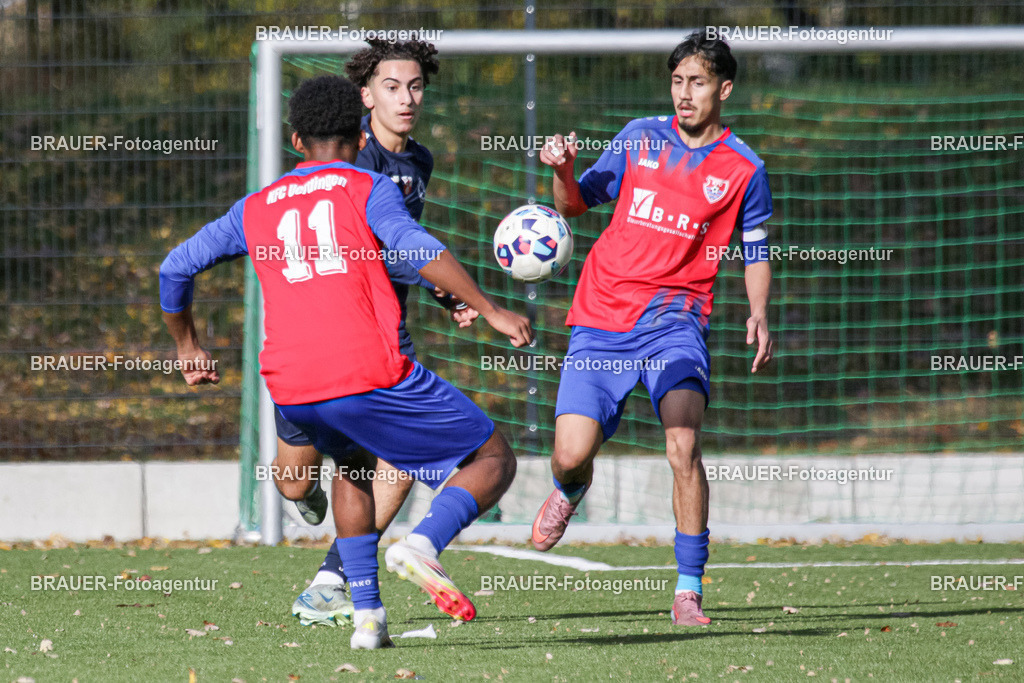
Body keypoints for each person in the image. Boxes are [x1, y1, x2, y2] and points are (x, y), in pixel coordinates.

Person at [160, 74, 533, 649]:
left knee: (354, 466)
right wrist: (491, 309)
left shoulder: (254, 206)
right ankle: (423, 544)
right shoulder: (369, 186)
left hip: (290, 387)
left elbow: (174, 267)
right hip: (367, 373)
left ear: (295, 141)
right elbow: (415, 246)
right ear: (361, 137)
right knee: (493, 458)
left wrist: (188, 348)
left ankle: (367, 619)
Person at [531, 29, 774, 627]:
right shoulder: (639, 137)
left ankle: (689, 589)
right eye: (677, 81)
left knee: (683, 444)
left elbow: (756, 249)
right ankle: (571, 489)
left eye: (697, 82)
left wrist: (759, 310)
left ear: (724, 89)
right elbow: (573, 205)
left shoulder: (744, 168)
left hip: (675, 321)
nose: (684, 93)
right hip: (602, 314)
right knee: (570, 454)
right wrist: (563, 169)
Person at [270, 39, 467, 629]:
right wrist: (440, 284)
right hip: (323, 331)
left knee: (399, 456)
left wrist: (437, 287)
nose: (406, 99)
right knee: (293, 482)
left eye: (415, 87)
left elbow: (403, 245)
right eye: (391, 87)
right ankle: (311, 501)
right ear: (365, 96)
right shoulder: (350, 160)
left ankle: (332, 579)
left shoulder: (419, 160)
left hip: (382, 334)